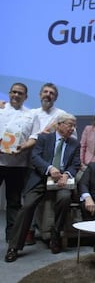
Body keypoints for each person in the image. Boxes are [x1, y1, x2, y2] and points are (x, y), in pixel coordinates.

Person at [5, 113, 80, 262]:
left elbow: (76, 164)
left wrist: (66, 174)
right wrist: (50, 168)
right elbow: (35, 157)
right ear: (59, 125)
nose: (72, 128)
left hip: (61, 181)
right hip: (40, 178)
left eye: (74, 125)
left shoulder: (74, 143)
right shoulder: (44, 138)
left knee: (64, 198)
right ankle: (14, 246)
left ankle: (55, 235)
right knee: (27, 206)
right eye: (69, 125)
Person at [25, 82, 76, 245]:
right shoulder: (31, 113)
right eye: (45, 92)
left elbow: (71, 146)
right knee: (29, 199)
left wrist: (65, 174)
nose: (48, 95)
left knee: (62, 197)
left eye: (52, 93)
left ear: (56, 97)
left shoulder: (61, 114)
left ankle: (54, 232)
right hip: (35, 164)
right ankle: (29, 231)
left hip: (58, 172)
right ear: (40, 94)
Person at [0, 83, 35, 242]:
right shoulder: (0, 108)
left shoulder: (30, 114)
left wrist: (23, 147)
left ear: (25, 97)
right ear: (9, 93)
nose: (16, 95)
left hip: (17, 164)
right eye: (13, 92)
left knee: (13, 202)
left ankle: (11, 239)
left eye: (20, 93)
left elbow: (34, 137)